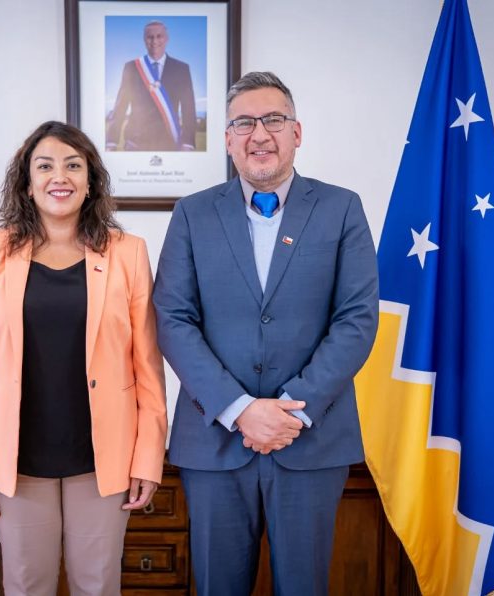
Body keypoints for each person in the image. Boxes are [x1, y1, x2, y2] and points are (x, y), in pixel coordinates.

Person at [153, 72, 379, 595]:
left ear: (296, 132)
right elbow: (173, 318)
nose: (260, 133)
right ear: (228, 139)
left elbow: (357, 318)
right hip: (214, 441)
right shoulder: (192, 214)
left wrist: (288, 410)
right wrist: (240, 408)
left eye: (273, 119)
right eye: (244, 122)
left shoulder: (342, 208)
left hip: (311, 439)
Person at [0, 121, 168, 596]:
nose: (60, 176)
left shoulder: (128, 254)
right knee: (27, 586)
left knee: (98, 586)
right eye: (45, 166)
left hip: (103, 461)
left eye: (74, 165)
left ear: (90, 181)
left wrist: (148, 458)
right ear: (27, 184)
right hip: (18, 460)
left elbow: (147, 365)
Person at [106, 20, 197, 152]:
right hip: (135, 143)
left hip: (170, 142)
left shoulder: (182, 69)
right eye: (150, 37)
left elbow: (189, 109)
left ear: (166, 39)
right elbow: (121, 106)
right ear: (144, 39)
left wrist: (188, 143)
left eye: (159, 36)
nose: (154, 41)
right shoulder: (131, 67)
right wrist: (111, 142)